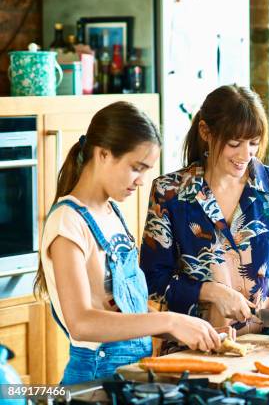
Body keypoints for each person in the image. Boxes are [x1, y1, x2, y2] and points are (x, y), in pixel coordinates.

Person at [34, 102, 231, 385]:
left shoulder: (112, 213)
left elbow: (127, 312)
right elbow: (82, 323)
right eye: (136, 168)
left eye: (146, 170)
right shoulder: (68, 222)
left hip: (131, 373)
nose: (141, 181)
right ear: (103, 154)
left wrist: (195, 328)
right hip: (94, 379)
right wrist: (170, 321)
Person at [140, 85, 269, 348]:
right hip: (193, 350)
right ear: (206, 132)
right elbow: (152, 282)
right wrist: (211, 292)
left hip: (267, 350)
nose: (245, 155)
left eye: (253, 143)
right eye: (234, 144)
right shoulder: (169, 193)